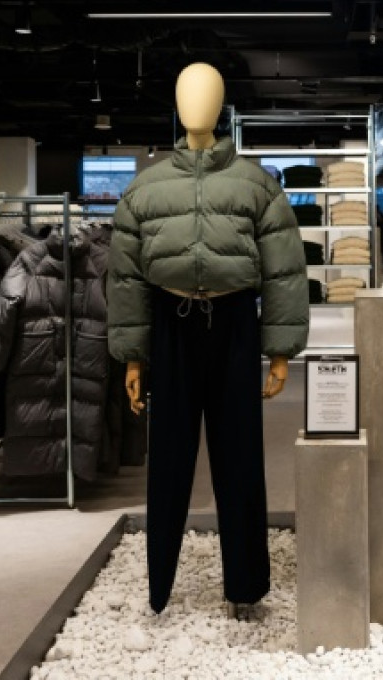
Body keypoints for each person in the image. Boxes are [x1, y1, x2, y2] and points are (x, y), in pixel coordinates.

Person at [107, 61, 308, 619]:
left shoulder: (254, 184)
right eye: (187, 93)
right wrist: (133, 356)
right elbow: (125, 278)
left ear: (222, 106)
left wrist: (280, 350)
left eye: (208, 93)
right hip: (171, 326)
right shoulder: (146, 189)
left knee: (239, 459)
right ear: (176, 103)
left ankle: (245, 584)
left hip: (235, 324)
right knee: (168, 459)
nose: (198, 103)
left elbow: (285, 271)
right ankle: (159, 589)